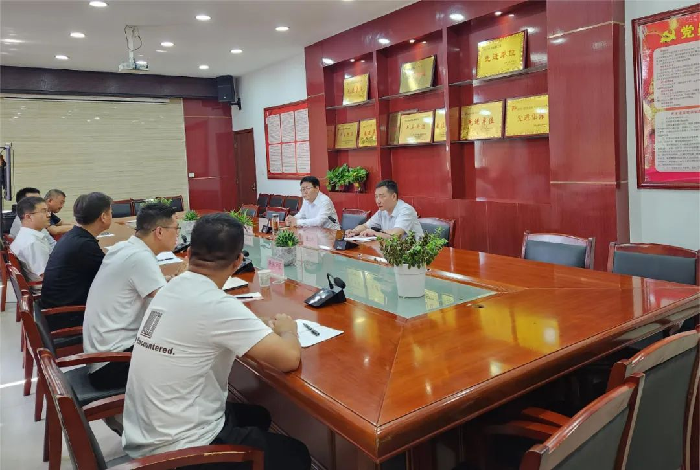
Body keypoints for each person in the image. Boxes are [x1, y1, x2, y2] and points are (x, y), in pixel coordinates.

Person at [122, 213, 310, 470]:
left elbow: (207, 322)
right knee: (297, 454)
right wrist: (288, 330)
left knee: (259, 416)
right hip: (181, 451)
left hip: (146, 431)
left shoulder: (171, 288)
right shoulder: (215, 305)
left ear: (189, 253)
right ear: (238, 261)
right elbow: (289, 359)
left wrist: (255, 324)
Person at [83, 203, 181, 391]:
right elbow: (170, 307)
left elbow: (152, 290)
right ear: (159, 232)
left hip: (103, 354)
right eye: (176, 228)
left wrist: (174, 280)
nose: (178, 234)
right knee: (190, 350)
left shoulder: (124, 247)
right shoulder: (140, 257)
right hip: (112, 364)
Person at [40, 192, 112, 331]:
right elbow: (111, 278)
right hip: (68, 317)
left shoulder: (74, 236)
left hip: (56, 311)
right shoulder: (84, 245)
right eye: (111, 212)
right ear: (103, 217)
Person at [345, 180, 423, 239]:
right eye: (376, 197)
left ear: (393, 196)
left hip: (414, 253)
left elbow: (396, 236)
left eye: (382, 196)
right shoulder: (382, 211)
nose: (378, 201)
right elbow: (366, 226)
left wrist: (375, 233)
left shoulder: (406, 210)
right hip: (392, 250)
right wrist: (354, 231)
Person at [9, 196, 52, 283]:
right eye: (44, 211)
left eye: (48, 211)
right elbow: (48, 275)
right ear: (28, 217)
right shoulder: (33, 243)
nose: (49, 215)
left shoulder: (25, 236)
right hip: (48, 287)